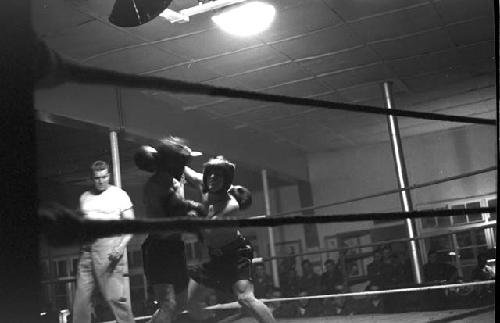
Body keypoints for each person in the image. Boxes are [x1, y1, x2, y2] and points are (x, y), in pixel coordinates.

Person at [183, 156, 277, 323]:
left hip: (236, 253)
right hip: (216, 256)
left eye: (217, 176)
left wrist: (191, 212)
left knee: (245, 298)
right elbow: (184, 168)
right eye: (210, 174)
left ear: (225, 180)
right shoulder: (202, 184)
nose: (212, 178)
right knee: (190, 300)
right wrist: (171, 156)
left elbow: (208, 229)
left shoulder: (231, 205)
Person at [134, 138, 206, 323]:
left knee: (181, 302)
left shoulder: (178, 172)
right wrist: (188, 216)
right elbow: (160, 226)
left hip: (175, 246)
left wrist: (221, 187)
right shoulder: (154, 188)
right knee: (169, 304)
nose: (184, 166)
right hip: (158, 247)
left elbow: (199, 179)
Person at [72, 160, 135, 323]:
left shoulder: (119, 194)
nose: (101, 181)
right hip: (87, 250)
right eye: (97, 178)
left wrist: (121, 247)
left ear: (109, 175)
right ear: (92, 179)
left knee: (115, 297)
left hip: (108, 249)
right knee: (81, 300)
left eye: (104, 176)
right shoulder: (84, 197)